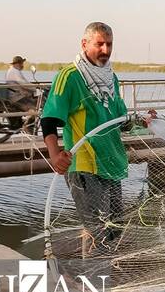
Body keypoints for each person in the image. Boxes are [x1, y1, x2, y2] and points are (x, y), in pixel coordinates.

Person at [41, 22, 129, 253]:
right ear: (84, 44)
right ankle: (92, 281)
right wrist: (54, 155)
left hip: (111, 163)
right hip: (84, 164)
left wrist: (143, 121)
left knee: (115, 228)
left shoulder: (112, 78)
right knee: (98, 230)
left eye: (109, 44)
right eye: (99, 44)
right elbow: (49, 119)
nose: (105, 50)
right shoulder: (69, 76)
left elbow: (120, 120)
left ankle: (96, 274)